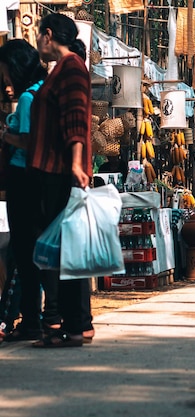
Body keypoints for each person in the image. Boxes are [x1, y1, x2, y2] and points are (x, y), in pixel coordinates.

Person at [28, 13, 93, 347]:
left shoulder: (70, 69)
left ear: (48, 35)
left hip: (60, 171)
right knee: (65, 250)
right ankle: (75, 323)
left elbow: (76, 118)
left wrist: (77, 165)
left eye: (39, 36)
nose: (38, 42)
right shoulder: (64, 70)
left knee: (64, 251)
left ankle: (73, 325)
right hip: (53, 170)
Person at [0, 39, 48, 342]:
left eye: (6, 76)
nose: (5, 85)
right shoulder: (41, 91)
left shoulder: (30, 98)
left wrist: (7, 136)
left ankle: (31, 319)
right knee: (29, 255)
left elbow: (31, 142)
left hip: (23, 179)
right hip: (32, 182)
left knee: (24, 253)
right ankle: (33, 317)